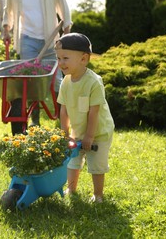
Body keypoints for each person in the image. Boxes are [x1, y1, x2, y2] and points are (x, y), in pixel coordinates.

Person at [2, 0, 72, 135]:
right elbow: (9, 13)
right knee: (30, 83)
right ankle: (34, 120)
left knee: (57, 82)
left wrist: (66, 35)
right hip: (27, 40)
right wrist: (6, 30)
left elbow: (63, 7)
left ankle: (64, 122)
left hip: (51, 39)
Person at [55, 33, 115, 203]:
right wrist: (65, 132)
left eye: (65, 58)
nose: (61, 63)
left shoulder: (94, 82)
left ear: (83, 59)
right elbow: (64, 110)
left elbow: (94, 112)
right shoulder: (65, 82)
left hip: (99, 131)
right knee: (73, 161)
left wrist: (90, 136)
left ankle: (98, 194)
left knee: (96, 164)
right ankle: (71, 188)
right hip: (78, 131)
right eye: (58, 58)